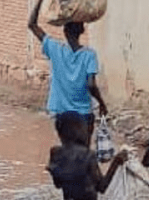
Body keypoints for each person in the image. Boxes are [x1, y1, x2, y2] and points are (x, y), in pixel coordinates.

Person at [28, 0, 108, 147]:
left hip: (62, 114)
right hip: (83, 114)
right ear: (82, 30)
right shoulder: (89, 55)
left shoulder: (55, 49)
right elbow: (91, 84)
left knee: (68, 151)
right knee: (83, 154)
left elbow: (32, 25)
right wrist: (102, 104)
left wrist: (39, 2)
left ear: (65, 31)